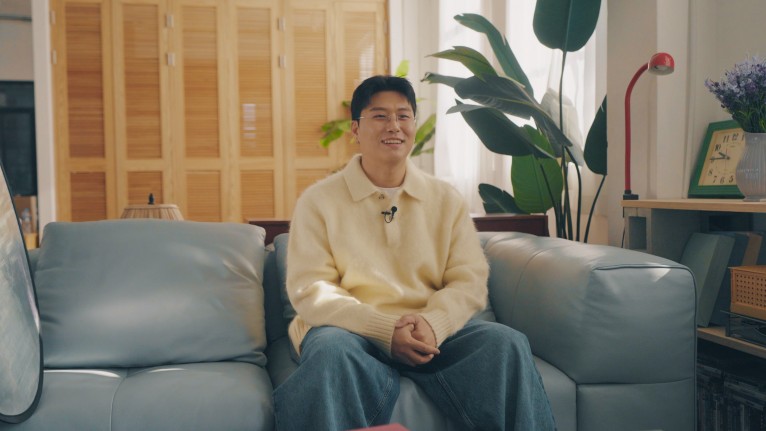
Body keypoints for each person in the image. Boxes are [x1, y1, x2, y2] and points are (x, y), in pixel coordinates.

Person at [273, 75, 556, 431]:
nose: (394, 126)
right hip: (350, 334)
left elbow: (469, 280)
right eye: (380, 116)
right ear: (356, 129)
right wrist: (383, 329)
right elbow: (312, 290)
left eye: (403, 116)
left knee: (506, 343)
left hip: (431, 335)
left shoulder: (445, 199)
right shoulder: (318, 201)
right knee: (330, 351)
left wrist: (434, 324)